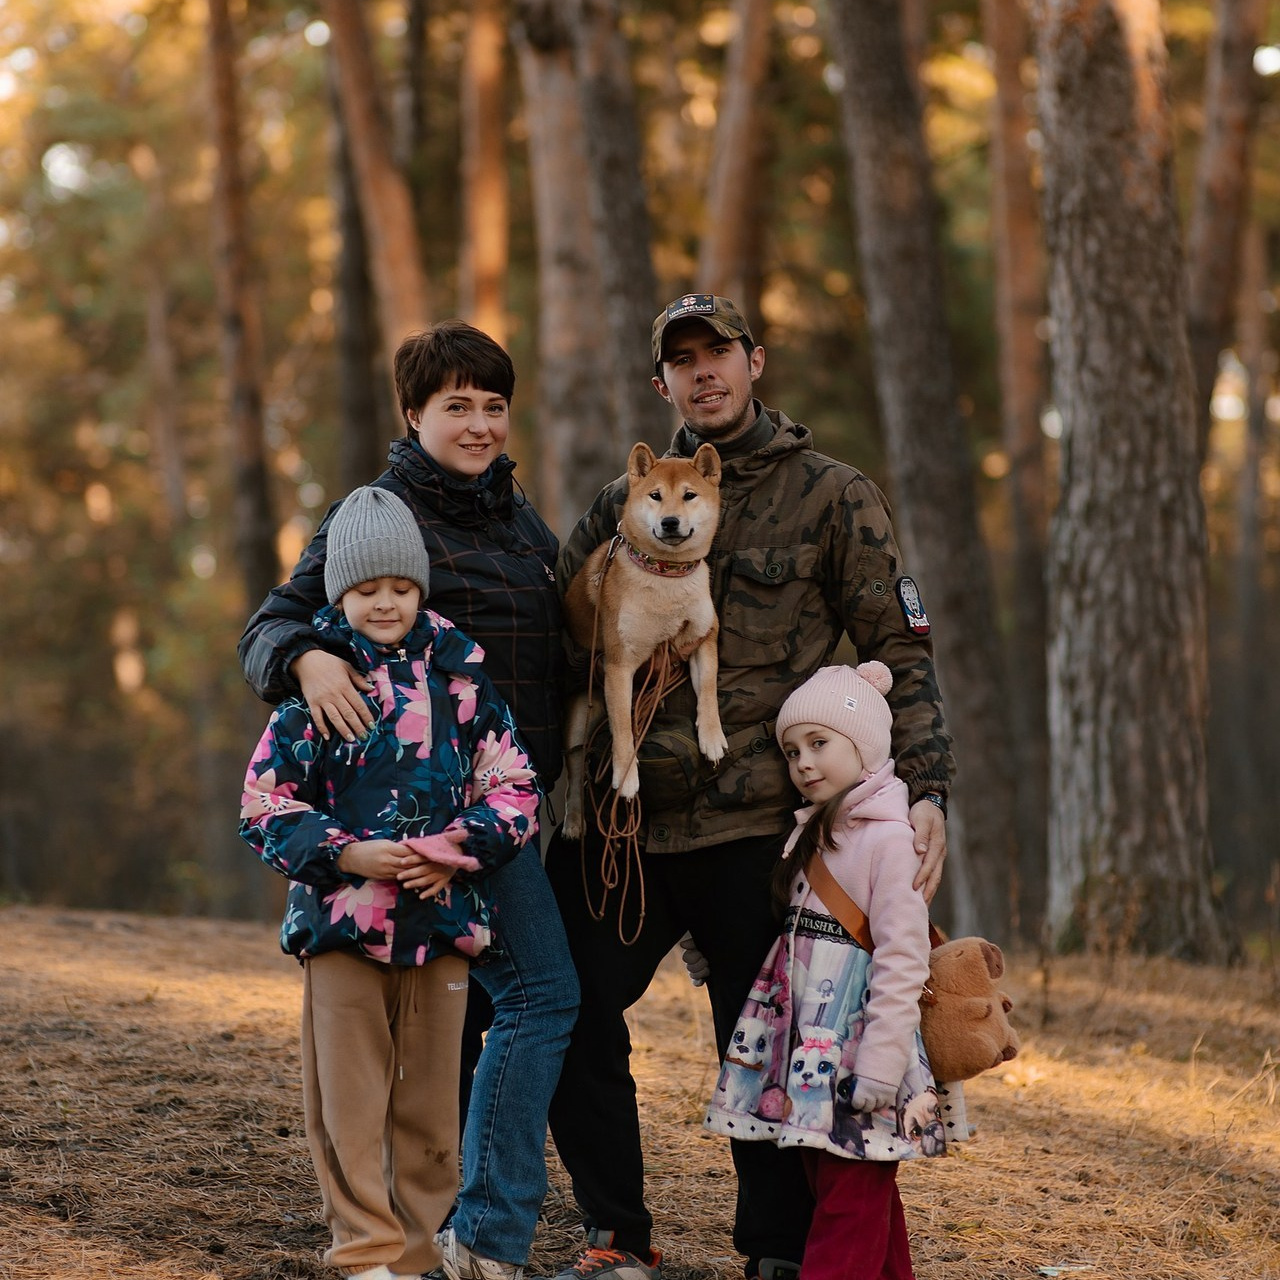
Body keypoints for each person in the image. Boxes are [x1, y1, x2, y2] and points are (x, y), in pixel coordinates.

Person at [543, 293, 954, 1280]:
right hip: (621, 825)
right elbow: (557, 639)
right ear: (661, 383)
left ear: (752, 359)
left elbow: (895, 643)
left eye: (715, 352)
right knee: (559, 1002)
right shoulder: (623, 501)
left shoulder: (831, 496)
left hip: (759, 824)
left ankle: (772, 1246)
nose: (701, 372)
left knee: (764, 1033)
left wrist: (928, 784)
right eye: (679, 360)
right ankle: (614, 1230)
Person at [238, 322, 579, 1280]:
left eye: (493, 406)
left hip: (491, 826)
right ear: (413, 413)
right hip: (388, 856)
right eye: (456, 406)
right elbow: (276, 620)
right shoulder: (376, 515)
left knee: (481, 1034)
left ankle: (454, 1240)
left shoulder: (518, 520)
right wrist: (306, 656)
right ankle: (455, 1240)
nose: (478, 425)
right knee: (541, 998)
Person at [704, 662, 945, 1280]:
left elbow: (902, 960)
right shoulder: (815, 834)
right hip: (811, 1057)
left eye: (820, 744)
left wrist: (883, 1064)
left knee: (848, 1200)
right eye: (792, 751)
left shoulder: (891, 842)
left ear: (864, 748)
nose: (804, 763)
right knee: (849, 1192)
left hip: (865, 1054)